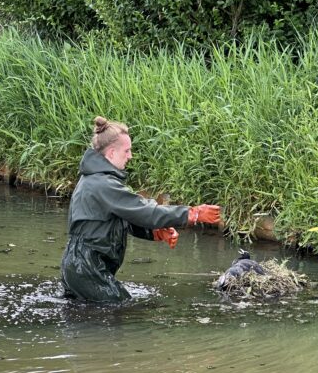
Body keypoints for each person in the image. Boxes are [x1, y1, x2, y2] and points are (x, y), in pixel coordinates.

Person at [61, 116, 221, 303]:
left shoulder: (98, 180)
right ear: (111, 153)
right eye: (127, 151)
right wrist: (191, 213)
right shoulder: (102, 184)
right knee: (122, 309)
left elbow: (122, 220)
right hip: (86, 268)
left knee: (89, 318)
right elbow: (145, 211)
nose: (130, 156)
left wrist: (154, 233)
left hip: (81, 266)